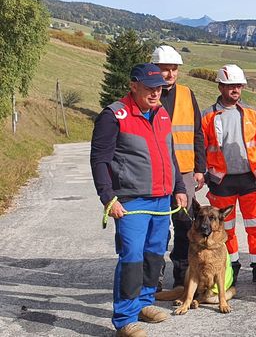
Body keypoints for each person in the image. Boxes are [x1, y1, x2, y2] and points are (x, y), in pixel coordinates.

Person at [90, 63, 188, 337]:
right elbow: (100, 160)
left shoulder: (161, 113)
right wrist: (108, 197)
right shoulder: (114, 116)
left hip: (161, 200)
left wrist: (179, 186)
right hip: (131, 202)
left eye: (159, 88)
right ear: (133, 85)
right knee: (131, 259)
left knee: (153, 256)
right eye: (149, 88)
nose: (156, 93)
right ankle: (124, 319)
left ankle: (145, 303)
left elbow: (170, 155)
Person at [201, 64, 256, 287]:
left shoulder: (252, 113)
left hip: (250, 179)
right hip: (221, 181)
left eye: (238, 86)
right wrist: (206, 174)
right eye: (230, 86)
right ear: (221, 86)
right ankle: (230, 269)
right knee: (226, 229)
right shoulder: (208, 115)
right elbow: (201, 148)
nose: (235, 90)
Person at [152, 45, 206, 291]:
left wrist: (199, 168)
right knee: (158, 225)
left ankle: (182, 275)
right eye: (165, 69)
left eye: (174, 69)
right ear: (155, 69)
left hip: (183, 171)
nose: (170, 74)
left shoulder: (186, 94)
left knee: (185, 223)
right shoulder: (148, 94)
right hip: (154, 170)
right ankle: (154, 274)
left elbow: (197, 133)